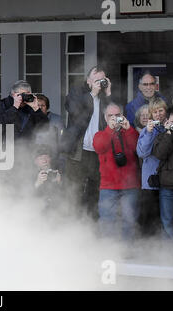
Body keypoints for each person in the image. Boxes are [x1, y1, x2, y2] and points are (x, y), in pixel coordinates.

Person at [61, 66, 112, 220]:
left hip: (98, 153)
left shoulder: (104, 98)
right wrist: (92, 94)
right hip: (78, 151)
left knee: (94, 193)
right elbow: (74, 110)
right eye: (96, 80)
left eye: (102, 80)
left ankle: (90, 228)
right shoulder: (77, 92)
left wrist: (108, 93)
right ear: (88, 80)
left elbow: (114, 115)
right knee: (73, 192)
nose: (99, 83)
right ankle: (71, 226)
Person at [93, 103, 140, 241]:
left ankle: (127, 251)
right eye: (110, 116)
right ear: (105, 118)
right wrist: (110, 130)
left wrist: (129, 129)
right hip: (108, 186)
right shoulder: (100, 134)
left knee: (129, 220)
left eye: (117, 115)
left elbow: (137, 147)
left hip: (130, 186)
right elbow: (100, 147)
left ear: (122, 116)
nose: (114, 118)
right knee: (107, 221)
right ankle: (109, 250)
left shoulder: (130, 131)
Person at [136, 98, 168, 237]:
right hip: (150, 181)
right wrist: (148, 132)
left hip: (168, 180)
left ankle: (165, 248)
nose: (158, 114)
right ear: (151, 114)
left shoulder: (171, 126)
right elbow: (142, 153)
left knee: (166, 217)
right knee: (149, 218)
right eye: (155, 112)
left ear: (165, 112)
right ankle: (146, 250)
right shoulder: (146, 131)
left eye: (161, 110)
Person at [152, 105, 173, 242]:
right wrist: (169, 134)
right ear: (167, 121)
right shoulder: (162, 136)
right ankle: (170, 255)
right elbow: (159, 154)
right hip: (167, 185)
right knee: (167, 221)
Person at [33, 144, 63, 212]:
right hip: (36, 212)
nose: (44, 160)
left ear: (50, 159)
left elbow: (66, 197)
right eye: (41, 158)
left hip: (55, 212)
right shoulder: (29, 175)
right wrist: (37, 183)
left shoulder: (57, 173)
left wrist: (59, 183)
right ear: (35, 161)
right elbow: (25, 198)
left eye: (47, 157)